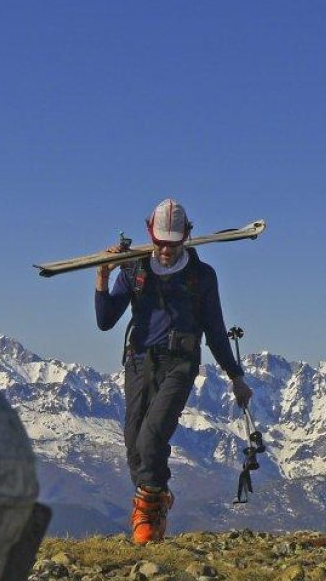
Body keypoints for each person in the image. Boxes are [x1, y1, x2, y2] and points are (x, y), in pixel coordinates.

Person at [95, 198, 253, 545]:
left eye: (172, 243)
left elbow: (214, 328)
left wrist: (235, 376)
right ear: (150, 235)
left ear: (186, 236)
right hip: (137, 361)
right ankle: (156, 497)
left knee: (152, 438)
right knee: (134, 442)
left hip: (180, 363)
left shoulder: (201, 276)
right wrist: (103, 278)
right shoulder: (134, 269)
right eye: (160, 243)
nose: (165, 251)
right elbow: (106, 320)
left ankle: (148, 514)